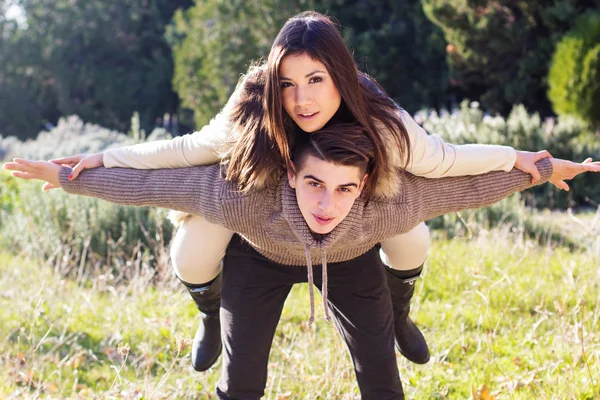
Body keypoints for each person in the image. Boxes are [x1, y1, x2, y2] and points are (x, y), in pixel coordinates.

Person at [45, 11, 557, 371]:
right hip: (260, 228)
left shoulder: (380, 121)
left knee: (414, 236)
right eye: (288, 83)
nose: (302, 98)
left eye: (315, 79)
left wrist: (520, 160)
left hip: (353, 221)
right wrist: (102, 159)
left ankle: (399, 315)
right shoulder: (254, 109)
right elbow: (188, 149)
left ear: (341, 75)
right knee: (191, 249)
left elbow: (446, 160)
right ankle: (208, 315)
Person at [5, 123, 599, 399]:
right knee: (242, 387)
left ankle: (401, 312)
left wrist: (545, 169)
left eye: (344, 189)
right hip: (258, 261)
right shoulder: (244, 191)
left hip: (351, 261)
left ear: (366, 184)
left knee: (383, 382)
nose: (326, 202)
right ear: (290, 172)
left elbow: (477, 183)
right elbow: (158, 183)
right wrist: (70, 176)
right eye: (314, 183)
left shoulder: (387, 202)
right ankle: (209, 318)